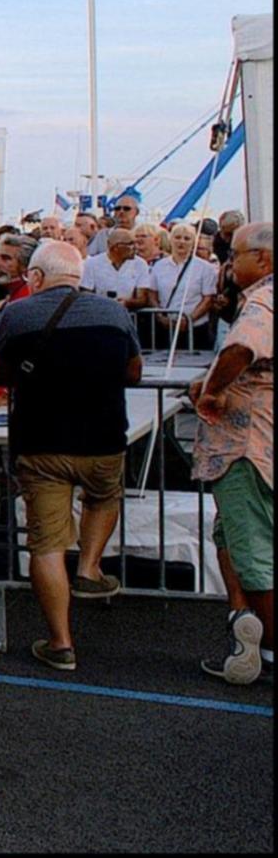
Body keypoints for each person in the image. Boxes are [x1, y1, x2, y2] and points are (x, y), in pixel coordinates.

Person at [0, 239, 141, 671]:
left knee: (47, 544)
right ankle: (91, 568)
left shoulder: (17, 314)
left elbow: (3, 374)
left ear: (37, 277)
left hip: (40, 443)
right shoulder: (114, 313)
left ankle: (60, 642)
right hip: (103, 437)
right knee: (103, 497)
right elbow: (133, 371)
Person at [187, 221, 272, 684]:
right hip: (258, 445)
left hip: (248, 447)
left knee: (253, 554)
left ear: (262, 259)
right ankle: (246, 630)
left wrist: (214, 391)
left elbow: (242, 346)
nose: (227, 264)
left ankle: (267, 650)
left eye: (235, 255)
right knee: (234, 541)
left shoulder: (261, 302)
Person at [148, 223, 222, 351]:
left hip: (195, 328)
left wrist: (189, 320)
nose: (181, 242)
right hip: (166, 327)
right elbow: (152, 293)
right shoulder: (159, 266)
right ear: (171, 240)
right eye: (177, 237)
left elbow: (208, 298)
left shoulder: (205, 268)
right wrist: (160, 316)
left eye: (187, 238)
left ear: (193, 243)